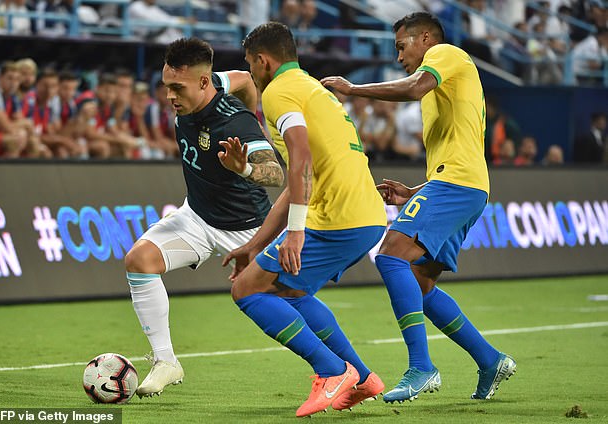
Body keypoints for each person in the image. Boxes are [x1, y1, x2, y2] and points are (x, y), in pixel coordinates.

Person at [321, 11, 516, 404]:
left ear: (425, 38)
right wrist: (415, 192)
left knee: (391, 256)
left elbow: (413, 87)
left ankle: (422, 367)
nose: (399, 57)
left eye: (401, 46)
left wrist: (353, 89)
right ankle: (490, 359)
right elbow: (457, 152)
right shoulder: (444, 86)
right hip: (461, 185)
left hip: (458, 186)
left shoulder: (445, 54)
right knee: (420, 286)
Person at [222, 22, 387, 417]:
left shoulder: (279, 92)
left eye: (249, 64)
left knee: (246, 290)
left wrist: (296, 232)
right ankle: (362, 378)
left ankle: (331, 371)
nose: (251, 73)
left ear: (263, 61)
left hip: (337, 217)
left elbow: (301, 158)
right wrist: (255, 244)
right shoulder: (310, 88)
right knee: (292, 292)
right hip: (362, 214)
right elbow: (299, 180)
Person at [124, 37, 284, 398]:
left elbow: (275, 174)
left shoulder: (236, 123)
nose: (169, 97)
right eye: (166, 86)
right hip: (197, 218)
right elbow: (243, 77)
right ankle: (166, 361)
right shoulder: (209, 86)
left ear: (202, 82)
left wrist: (244, 167)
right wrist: (253, 100)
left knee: (291, 301)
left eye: (177, 88)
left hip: (249, 230)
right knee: (139, 261)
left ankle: (340, 370)